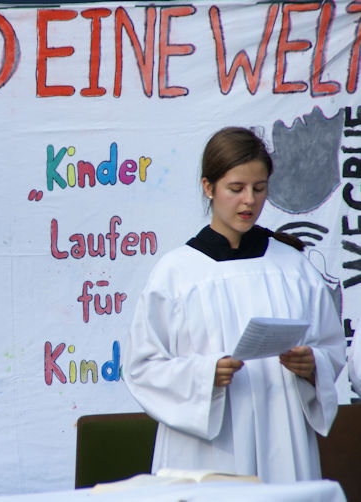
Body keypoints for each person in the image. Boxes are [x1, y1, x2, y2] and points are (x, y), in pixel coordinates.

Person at [122, 126, 345, 482]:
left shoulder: (293, 266)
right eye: (236, 189)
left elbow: (330, 346)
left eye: (259, 189)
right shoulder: (177, 274)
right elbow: (142, 367)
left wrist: (312, 364)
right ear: (209, 188)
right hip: (207, 449)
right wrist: (204, 374)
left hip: (281, 437)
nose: (249, 201)